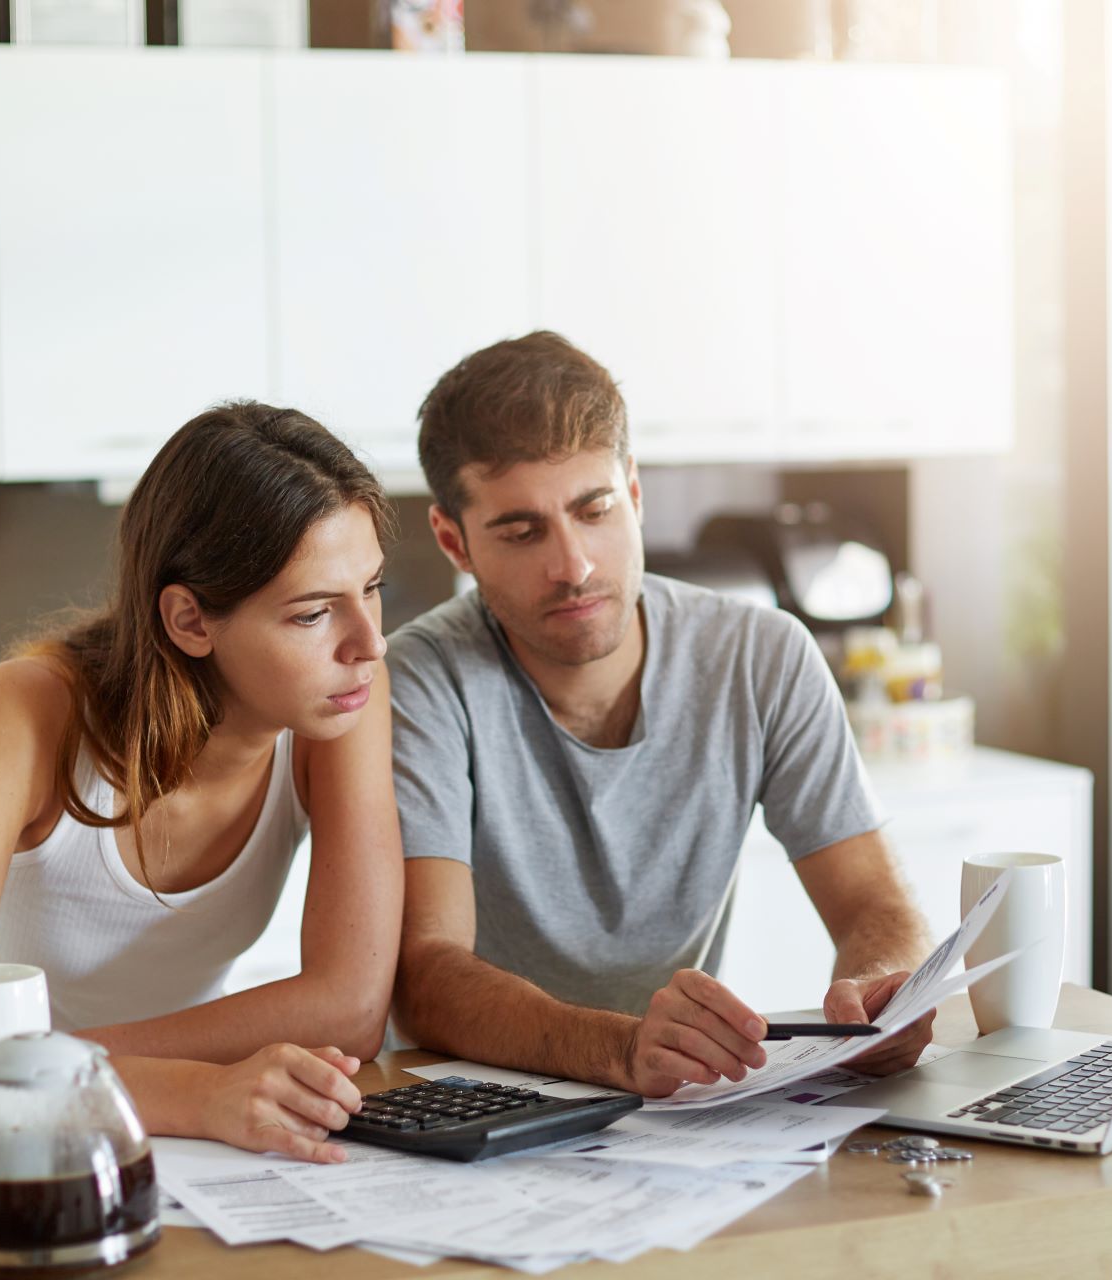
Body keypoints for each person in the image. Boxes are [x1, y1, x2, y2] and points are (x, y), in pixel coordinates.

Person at [388, 332, 935, 1098]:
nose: (573, 565)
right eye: (521, 531)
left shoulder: (762, 655)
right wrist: (621, 1049)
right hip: (476, 1097)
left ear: (635, 495)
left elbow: (875, 904)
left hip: (671, 1102)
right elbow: (426, 974)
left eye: (595, 509)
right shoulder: (418, 682)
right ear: (455, 542)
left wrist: (884, 993)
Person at [0, 403, 402, 1164]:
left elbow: (349, 1007)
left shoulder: (343, 699)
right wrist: (182, 1090)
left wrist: (18, 1068)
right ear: (189, 620)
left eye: (373, 587)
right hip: (9, 1146)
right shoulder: (25, 712)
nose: (370, 643)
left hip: (189, 1140)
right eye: (313, 612)